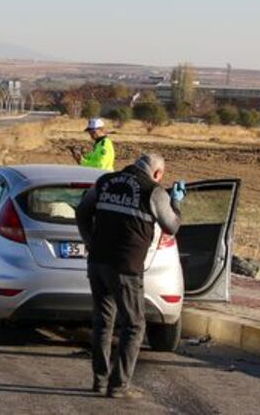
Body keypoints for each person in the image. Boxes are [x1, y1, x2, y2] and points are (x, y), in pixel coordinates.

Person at [76, 153, 184, 399]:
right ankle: (118, 385)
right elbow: (172, 226)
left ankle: (100, 381)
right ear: (157, 174)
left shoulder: (105, 182)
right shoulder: (153, 191)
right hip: (126, 267)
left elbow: (82, 212)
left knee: (103, 322)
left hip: (98, 262)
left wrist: (90, 241)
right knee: (134, 325)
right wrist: (175, 202)